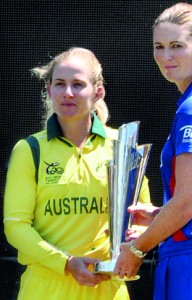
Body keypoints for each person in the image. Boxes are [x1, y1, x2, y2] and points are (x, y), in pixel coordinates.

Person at [113, 3, 192, 299]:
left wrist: (137, 248)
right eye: (159, 46)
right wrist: (162, 215)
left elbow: (187, 202)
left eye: (176, 46)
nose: (165, 56)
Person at [3, 47, 152, 300]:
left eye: (78, 84)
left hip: (108, 288)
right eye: (60, 84)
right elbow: (15, 227)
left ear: (98, 92)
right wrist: (66, 263)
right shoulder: (29, 149)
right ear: (48, 90)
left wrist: (136, 243)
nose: (68, 93)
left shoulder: (122, 147)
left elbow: (142, 219)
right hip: (45, 289)